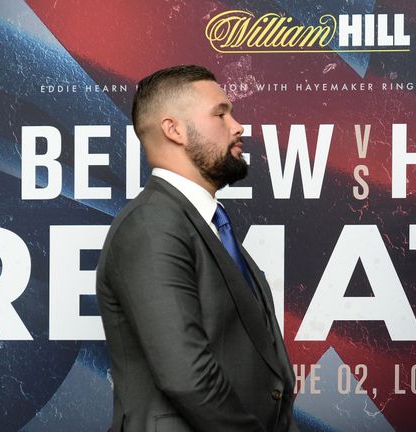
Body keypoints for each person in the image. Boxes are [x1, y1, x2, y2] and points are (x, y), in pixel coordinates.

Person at [96, 65, 297, 432]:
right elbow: (187, 376)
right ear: (174, 130)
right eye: (220, 114)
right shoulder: (152, 225)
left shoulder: (206, 224)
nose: (238, 126)